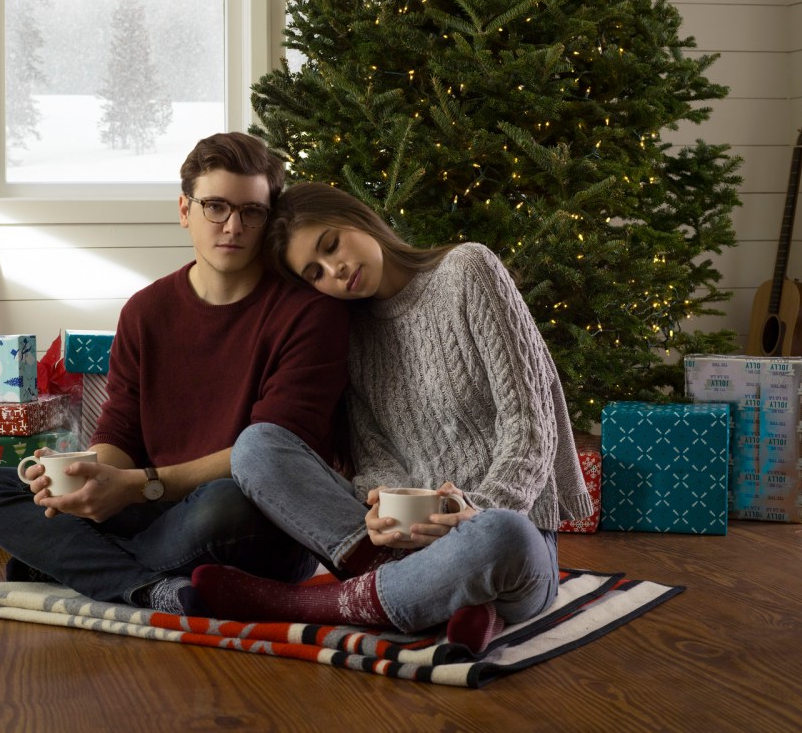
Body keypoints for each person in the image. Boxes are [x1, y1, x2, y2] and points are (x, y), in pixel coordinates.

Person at [191, 182, 592, 653]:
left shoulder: (468, 269)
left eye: (331, 244)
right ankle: (445, 600)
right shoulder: (353, 336)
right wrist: (378, 503)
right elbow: (375, 456)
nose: (335, 270)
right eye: (315, 273)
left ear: (357, 217)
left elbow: (530, 428)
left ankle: (308, 605)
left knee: (504, 538)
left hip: (505, 532)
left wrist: (473, 512)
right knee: (256, 448)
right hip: (403, 548)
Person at [0, 135, 350, 616]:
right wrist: (87, 475)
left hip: (252, 521)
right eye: (215, 207)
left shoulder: (309, 314)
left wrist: (139, 485)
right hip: (155, 510)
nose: (233, 226)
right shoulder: (146, 311)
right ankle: (144, 586)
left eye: (252, 212)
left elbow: (277, 452)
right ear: (185, 210)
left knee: (225, 505)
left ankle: (72, 565)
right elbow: (120, 432)